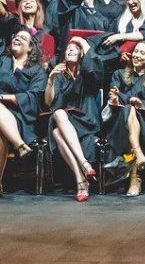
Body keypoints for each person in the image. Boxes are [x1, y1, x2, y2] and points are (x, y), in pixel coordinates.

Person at [44, 35, 104, 201]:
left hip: (86, 120)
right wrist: (51, 79)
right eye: (68, 48)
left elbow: (95, 69)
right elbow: (49, 102)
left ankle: (81, 178)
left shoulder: (87, 73)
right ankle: (82, 171)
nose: (70, 50)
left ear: (82, 54)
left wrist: (83, 42)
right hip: (65, 121)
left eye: (75, 48)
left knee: (57, 131)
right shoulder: (59, 75)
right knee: (58, 116)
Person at [105, 40, 145, 197]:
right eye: (136, 51)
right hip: (119, 125)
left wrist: (142, 104)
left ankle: (135, 175)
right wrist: (115, 99)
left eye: (142, 53)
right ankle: (136, 175)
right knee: (129, 109)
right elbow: (114, 98)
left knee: (133, 110)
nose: (137, 55)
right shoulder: (119, 74)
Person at [0, 29, 46, 191]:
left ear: (30, 48)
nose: (17, 38)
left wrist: (4, 97)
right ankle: (20, 145)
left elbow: (34, 97)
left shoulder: (37, 71)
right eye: (15, 36)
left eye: (23, 38)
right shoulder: (2, 61)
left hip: (21, 117)